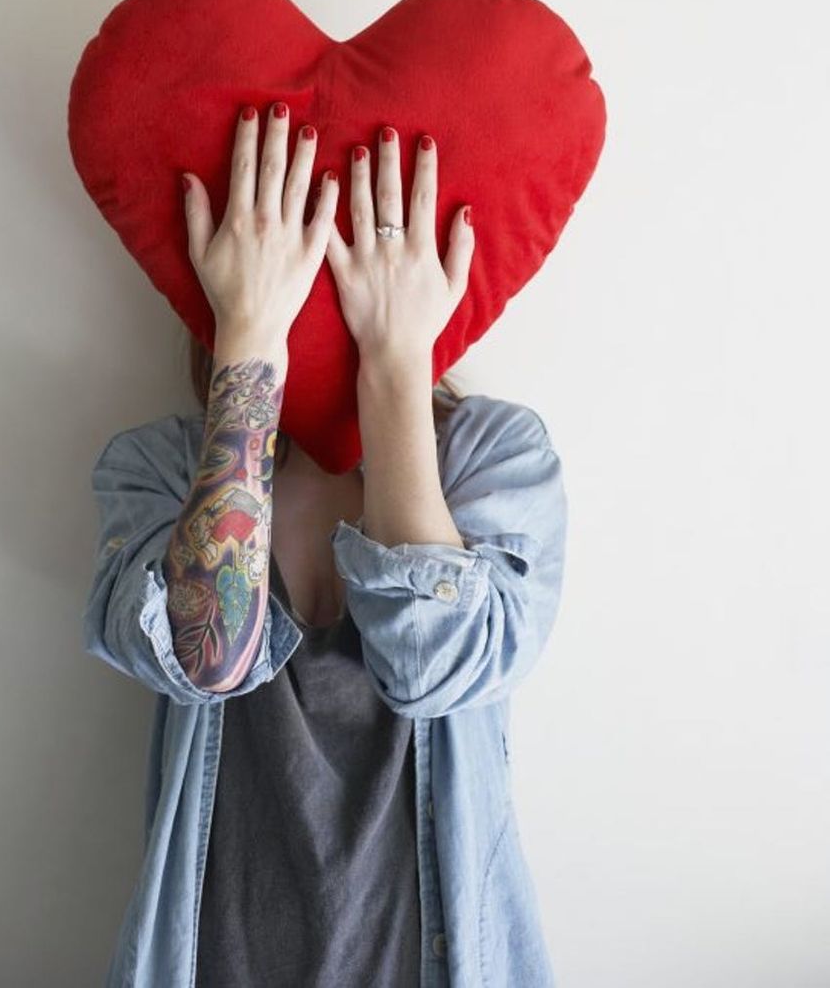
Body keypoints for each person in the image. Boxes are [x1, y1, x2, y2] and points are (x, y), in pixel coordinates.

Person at [83, 102, 568, 987]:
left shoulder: (497, 461)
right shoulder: (154, 467)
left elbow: (438, 664)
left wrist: (393, 357)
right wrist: (253, 339)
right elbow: (205, 656)